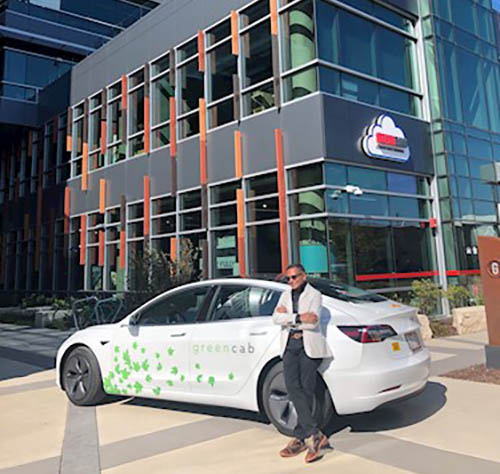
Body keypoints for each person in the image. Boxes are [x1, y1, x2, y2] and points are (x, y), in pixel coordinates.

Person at [272, 263, 332, 463]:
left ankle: (300, 437)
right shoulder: (285, 295)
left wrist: (287, 317)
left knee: (306, 390)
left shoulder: (314, 295)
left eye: (294, 277)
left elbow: (313, 321)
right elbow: (276, 317)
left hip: (308, 346)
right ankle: (315, 434)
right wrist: (298, 317)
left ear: (304, 276)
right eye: (287, 278)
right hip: (290, 346)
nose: (291, 281)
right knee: (292, 387)